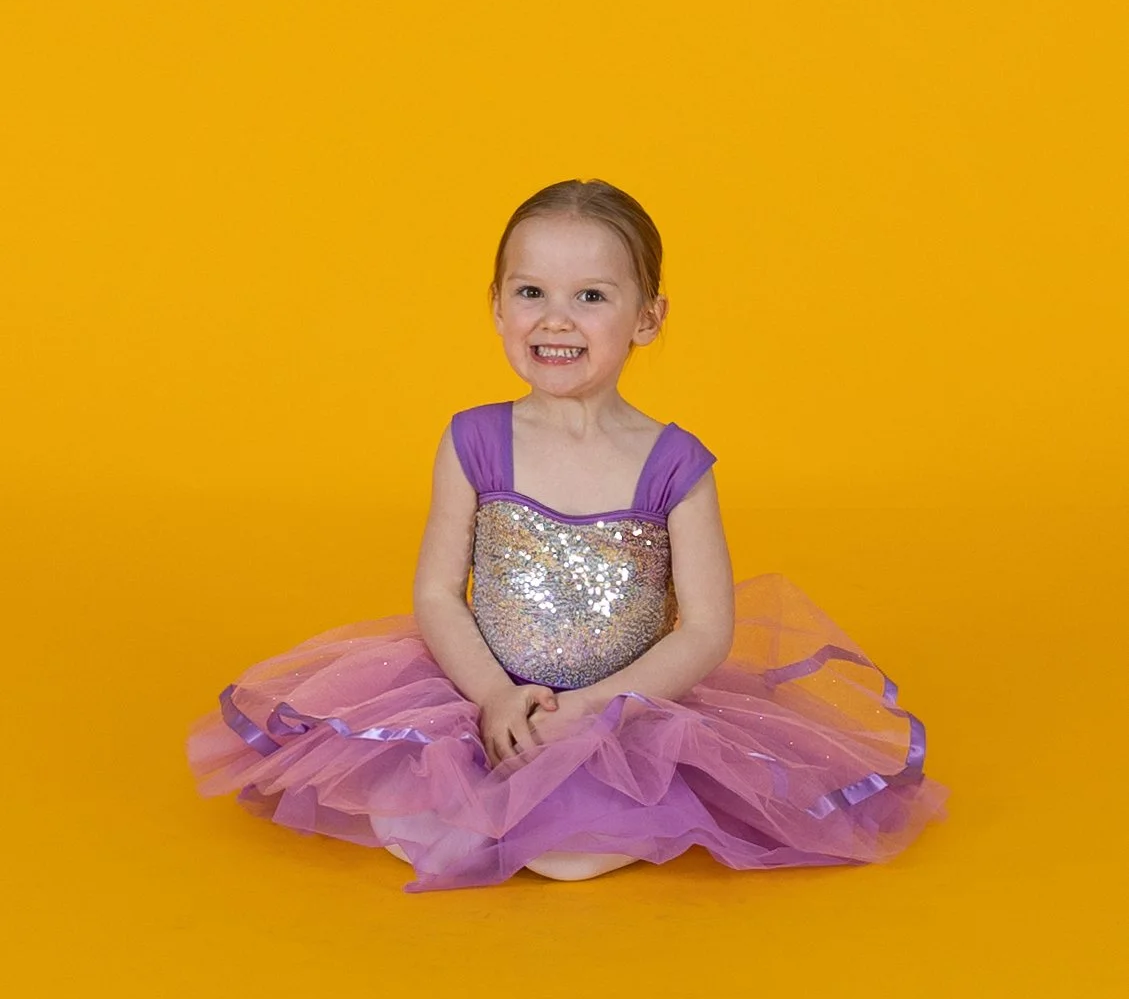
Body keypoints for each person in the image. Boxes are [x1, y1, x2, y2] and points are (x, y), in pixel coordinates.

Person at [186, 178, 948, 893]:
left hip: (619, 705)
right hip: (482, 688)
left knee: (574, 853)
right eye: (530, 293)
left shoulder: (675, 464)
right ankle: (484, 779)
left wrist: (592, 710)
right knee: (420, 799)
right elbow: (437, 592)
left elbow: (708, 629)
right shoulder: (473, 440)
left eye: (590, 296)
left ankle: (570, 799)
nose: (555, 319)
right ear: (496, 307)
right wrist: (491, 695)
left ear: (646, 317)